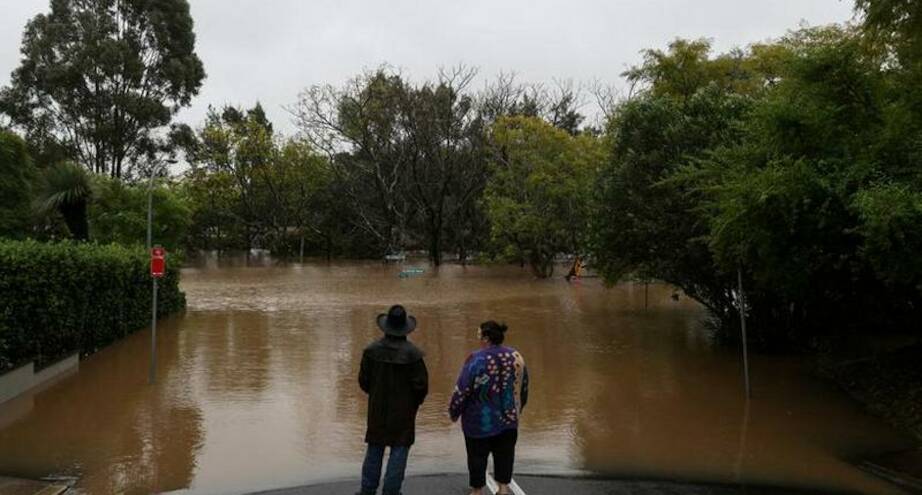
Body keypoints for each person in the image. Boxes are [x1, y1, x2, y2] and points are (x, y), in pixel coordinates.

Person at [449, 321, 529, 495]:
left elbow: (462, 389)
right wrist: (517, 410)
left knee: (477, 457)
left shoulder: (476, 359)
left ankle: (477, 490)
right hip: (508, 418)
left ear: (486, 338)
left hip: (479, 420)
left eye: (478, 335)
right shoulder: (516, 356)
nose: (478, 339)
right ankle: (503, 488)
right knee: (505, 455)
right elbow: (523, 387)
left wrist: (454, 411)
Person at [358, 304, 429, 495]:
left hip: (377, 408)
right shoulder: (413, 355)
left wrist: (375, 395)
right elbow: (421, 387)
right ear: (405, 328)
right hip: (404, 411)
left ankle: (367, 489)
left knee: (375, 448)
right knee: (399, 450)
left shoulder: (371, 351)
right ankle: (391, 491)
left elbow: (363, 382)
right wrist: (414, 403)